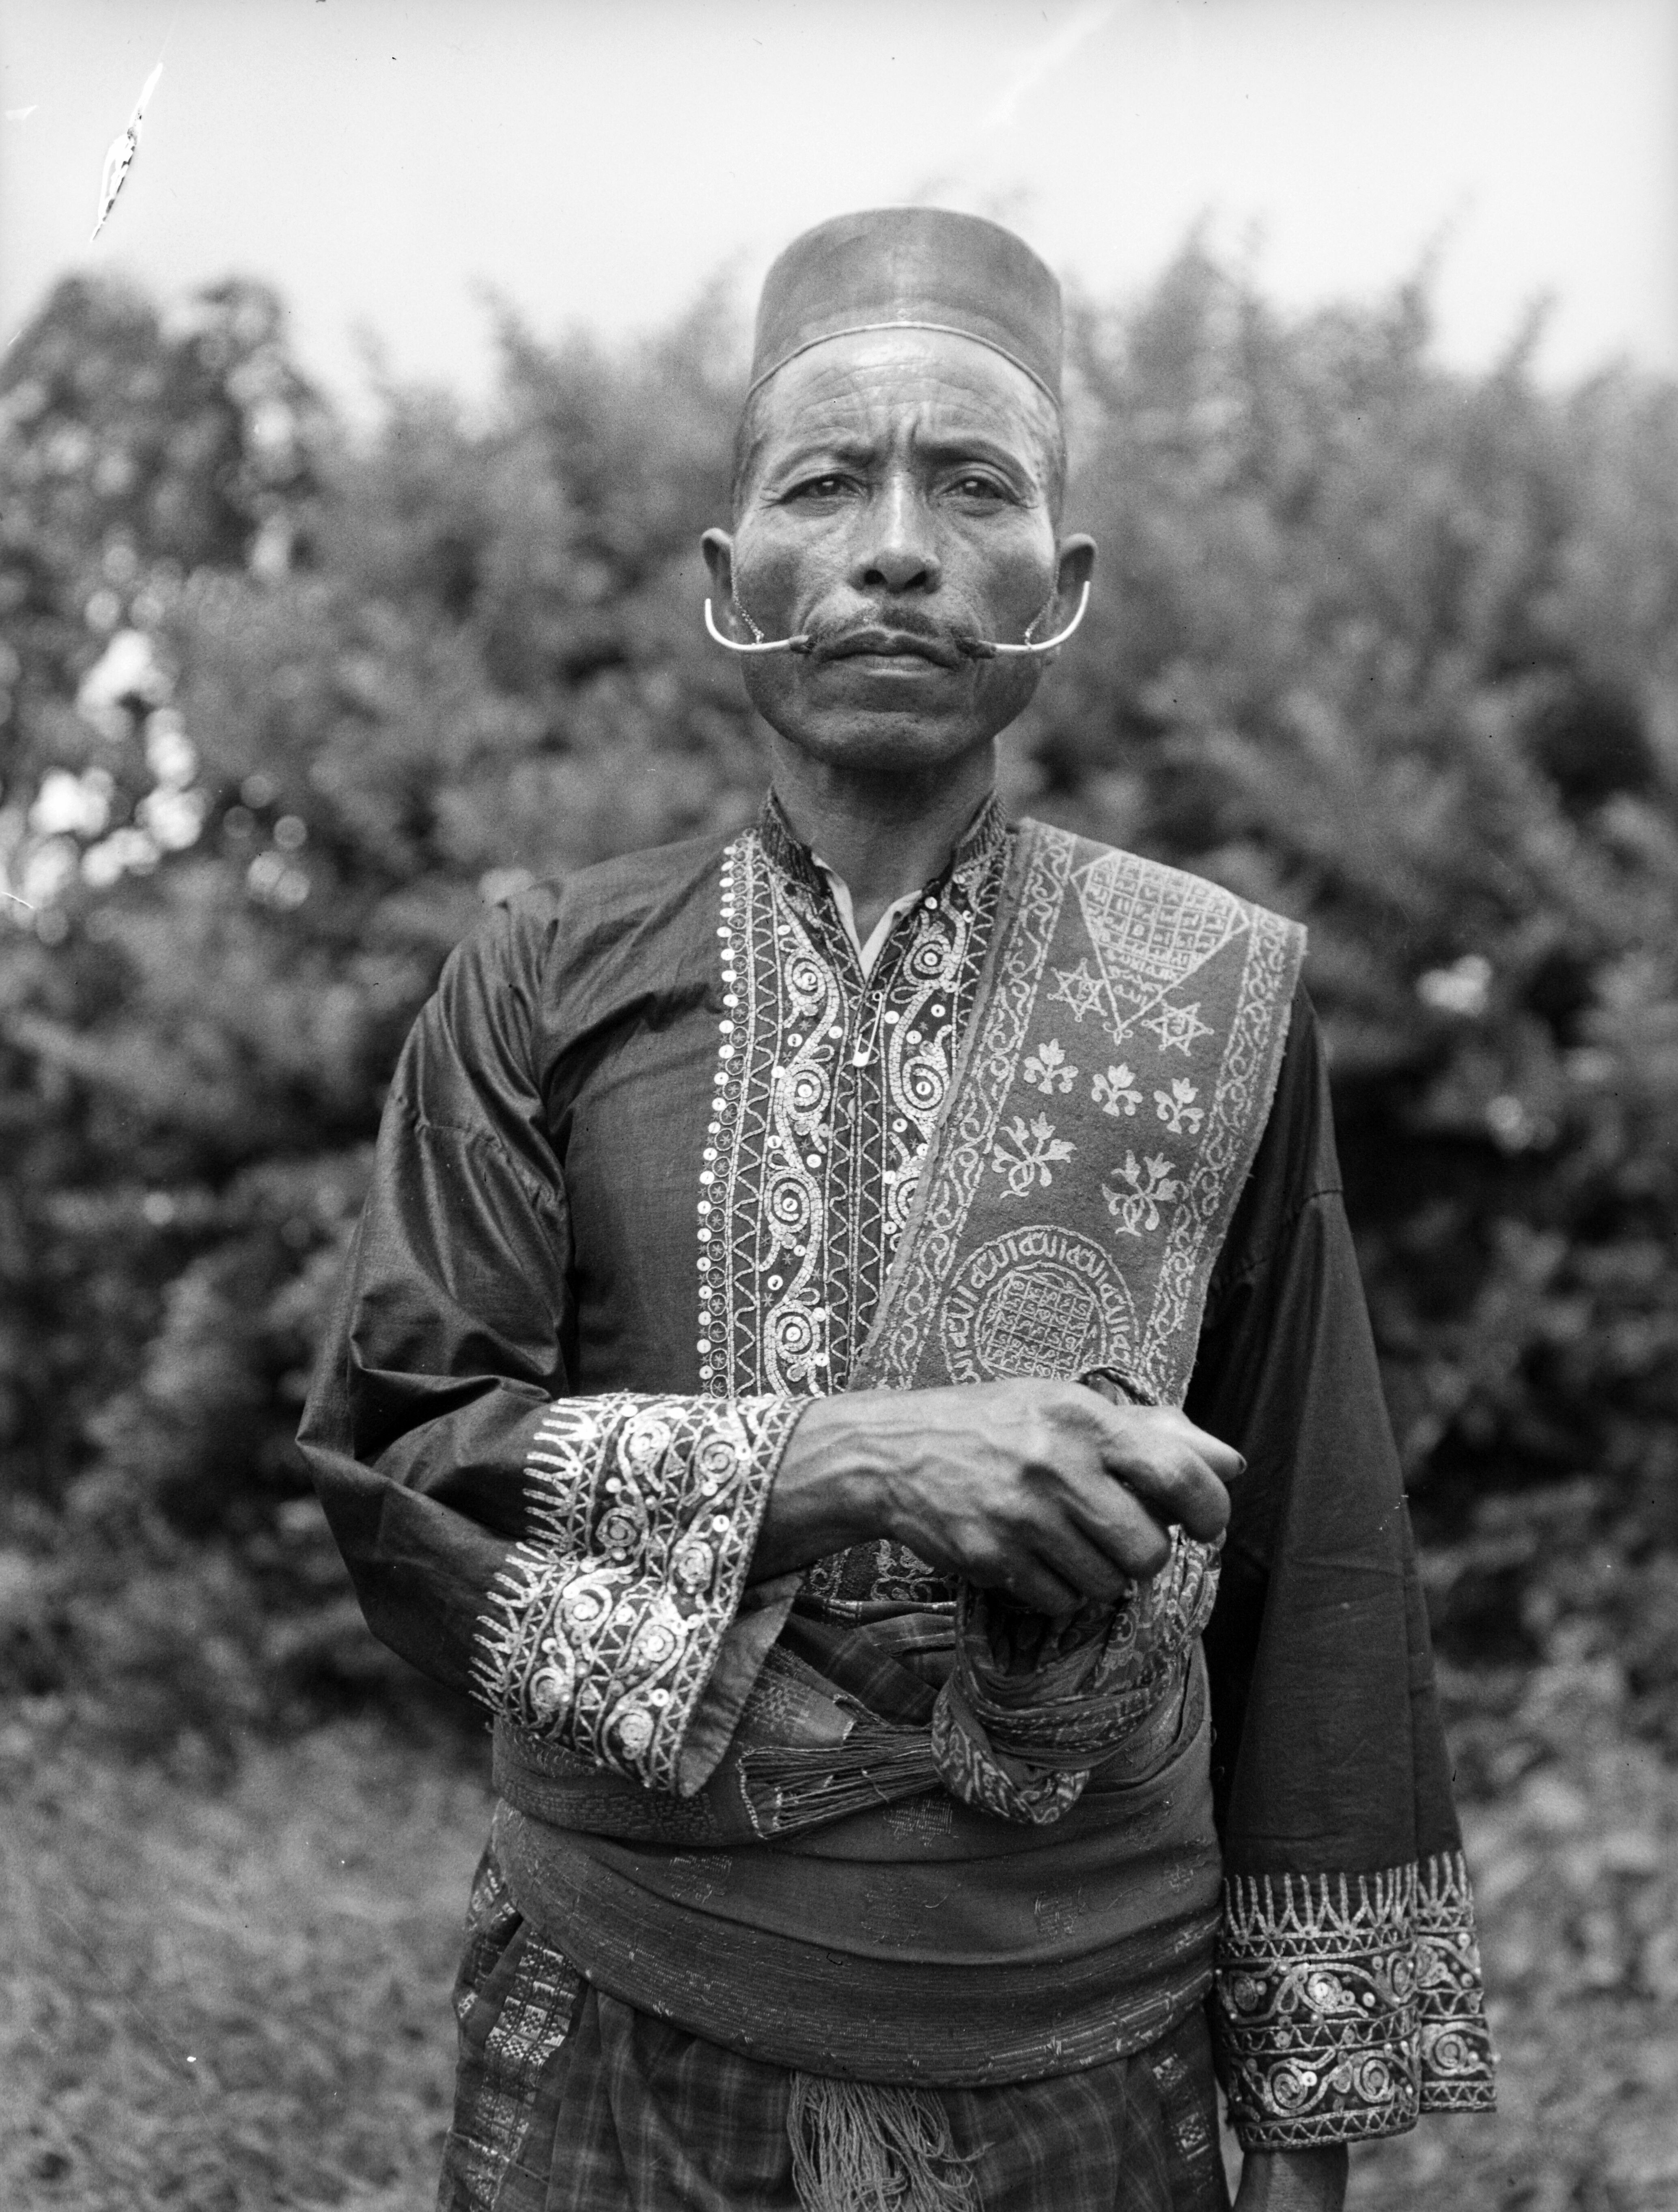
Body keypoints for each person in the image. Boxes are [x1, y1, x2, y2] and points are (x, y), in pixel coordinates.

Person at [300, 207, 1495, 2212]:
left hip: (1087, 2061)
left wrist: (1309, 2127)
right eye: (825, 483)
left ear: (1060, 588)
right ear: (727, 579)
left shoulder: (1207, 991)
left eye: (973, 486)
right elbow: (404, 1454)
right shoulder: (542, 978)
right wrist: (860, 1459)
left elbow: (1317, 1553)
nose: (894, 547)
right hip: (619, 2029)